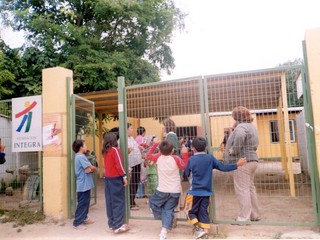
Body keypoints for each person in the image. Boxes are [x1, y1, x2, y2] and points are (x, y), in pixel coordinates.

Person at [184, 137, 247, 238]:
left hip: (194, 192)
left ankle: (198, 229)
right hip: (206, 192)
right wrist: (237, 164)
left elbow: (186, 173)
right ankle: (205, 233)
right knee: (203, 211)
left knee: (188, 211)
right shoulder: (210, 158)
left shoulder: (191, 160)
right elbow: (223, 167)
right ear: (205, 147)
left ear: (193, 148)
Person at [146, 138, 189, 240]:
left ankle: (166, 219)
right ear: (173, 150)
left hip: (162, 190)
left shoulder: (158, 157)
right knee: (168, 210)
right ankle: (163, 232)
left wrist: (155, 144)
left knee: (152, 203)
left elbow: (147, 156)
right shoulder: (176, 159)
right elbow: (185, 167)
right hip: (175, 191)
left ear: (160, 150)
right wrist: (185, 155)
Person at [224, 106, 260, 223]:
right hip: (253, 160)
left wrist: (234, 150)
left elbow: (239, 136)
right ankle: (254, 215)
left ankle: (244, 218)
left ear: (236, 117)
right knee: (250, 188)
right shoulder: (251, 127)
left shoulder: (241, 126)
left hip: (243, 162)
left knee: (242, 190)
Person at [102, 132, 129, 233]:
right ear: (114, 140)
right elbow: (119, 165)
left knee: (110, 202)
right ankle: (117, 225)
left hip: (108, 178)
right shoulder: (115, 150)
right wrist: (124, 176)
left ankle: (112, 224)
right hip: (116, 179)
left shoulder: (105, 151)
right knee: (118, 201)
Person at [72, 139, 97, 230]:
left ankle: (85, 218)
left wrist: (90, 169)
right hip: (83, 185)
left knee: (86, 202)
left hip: (85, 184)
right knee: (82, 203)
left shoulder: (80, 156)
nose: (86, 147)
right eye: (85, 145)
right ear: (81, 147)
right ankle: (77, 222)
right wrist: (92, 168)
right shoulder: (80, 157)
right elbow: (91, 168)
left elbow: (88, 169)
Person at [127, 123, 143, 210]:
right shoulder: (123, 140)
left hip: (137, 162)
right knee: (132, 183)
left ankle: (132, 200)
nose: (132, 130)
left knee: (136, 182)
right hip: (131, 164)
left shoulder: (132, 138)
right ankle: (130, 203)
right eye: (131, 128)